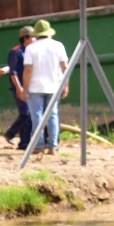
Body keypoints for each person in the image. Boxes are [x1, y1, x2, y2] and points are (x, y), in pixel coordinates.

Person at [20, 19, 69, 154]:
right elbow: (65, 67)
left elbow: (28, 70)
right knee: (53, 115)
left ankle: (39, 145)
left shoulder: (31, 48)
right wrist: (66, 85)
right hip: (54, 86)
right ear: (49, 33)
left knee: (37, 117)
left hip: (35, 87)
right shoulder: (58, 45)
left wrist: (25, 88)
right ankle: (53, 146)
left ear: (36, 33)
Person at [0, 26, 35, 149]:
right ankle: (10, 134)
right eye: (33, 37)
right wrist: (19, 88)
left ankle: (24, 143)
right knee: (26, 113)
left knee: (29, 115)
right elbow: (14, 71)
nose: (36, 39)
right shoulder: (16, 51)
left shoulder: (31, 51)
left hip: (30, 87)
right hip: (20, 87)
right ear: (26, 38)